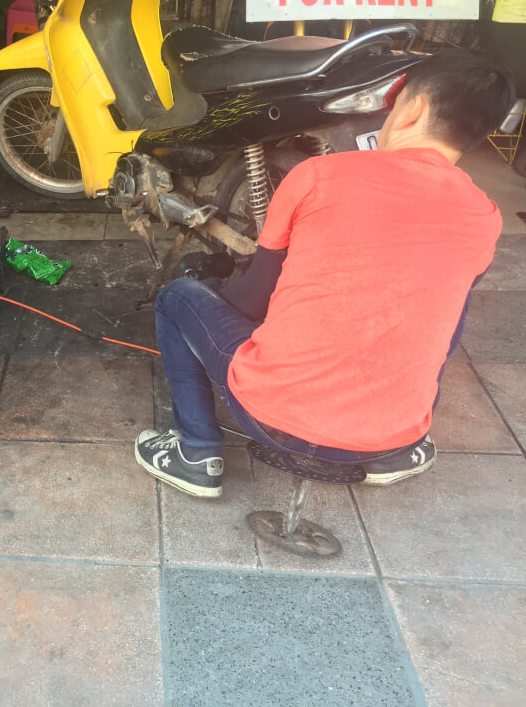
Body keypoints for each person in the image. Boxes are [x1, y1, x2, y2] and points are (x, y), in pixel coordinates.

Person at [136, 49, 515, 498]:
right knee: (449, 298)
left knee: (178, 297)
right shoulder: (485, 217)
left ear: (414, 107)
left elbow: (253, 300)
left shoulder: (319, 175)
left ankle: (195, 452)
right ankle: (392, 451)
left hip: (273, 421)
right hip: (396, 433)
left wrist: (214, 282)